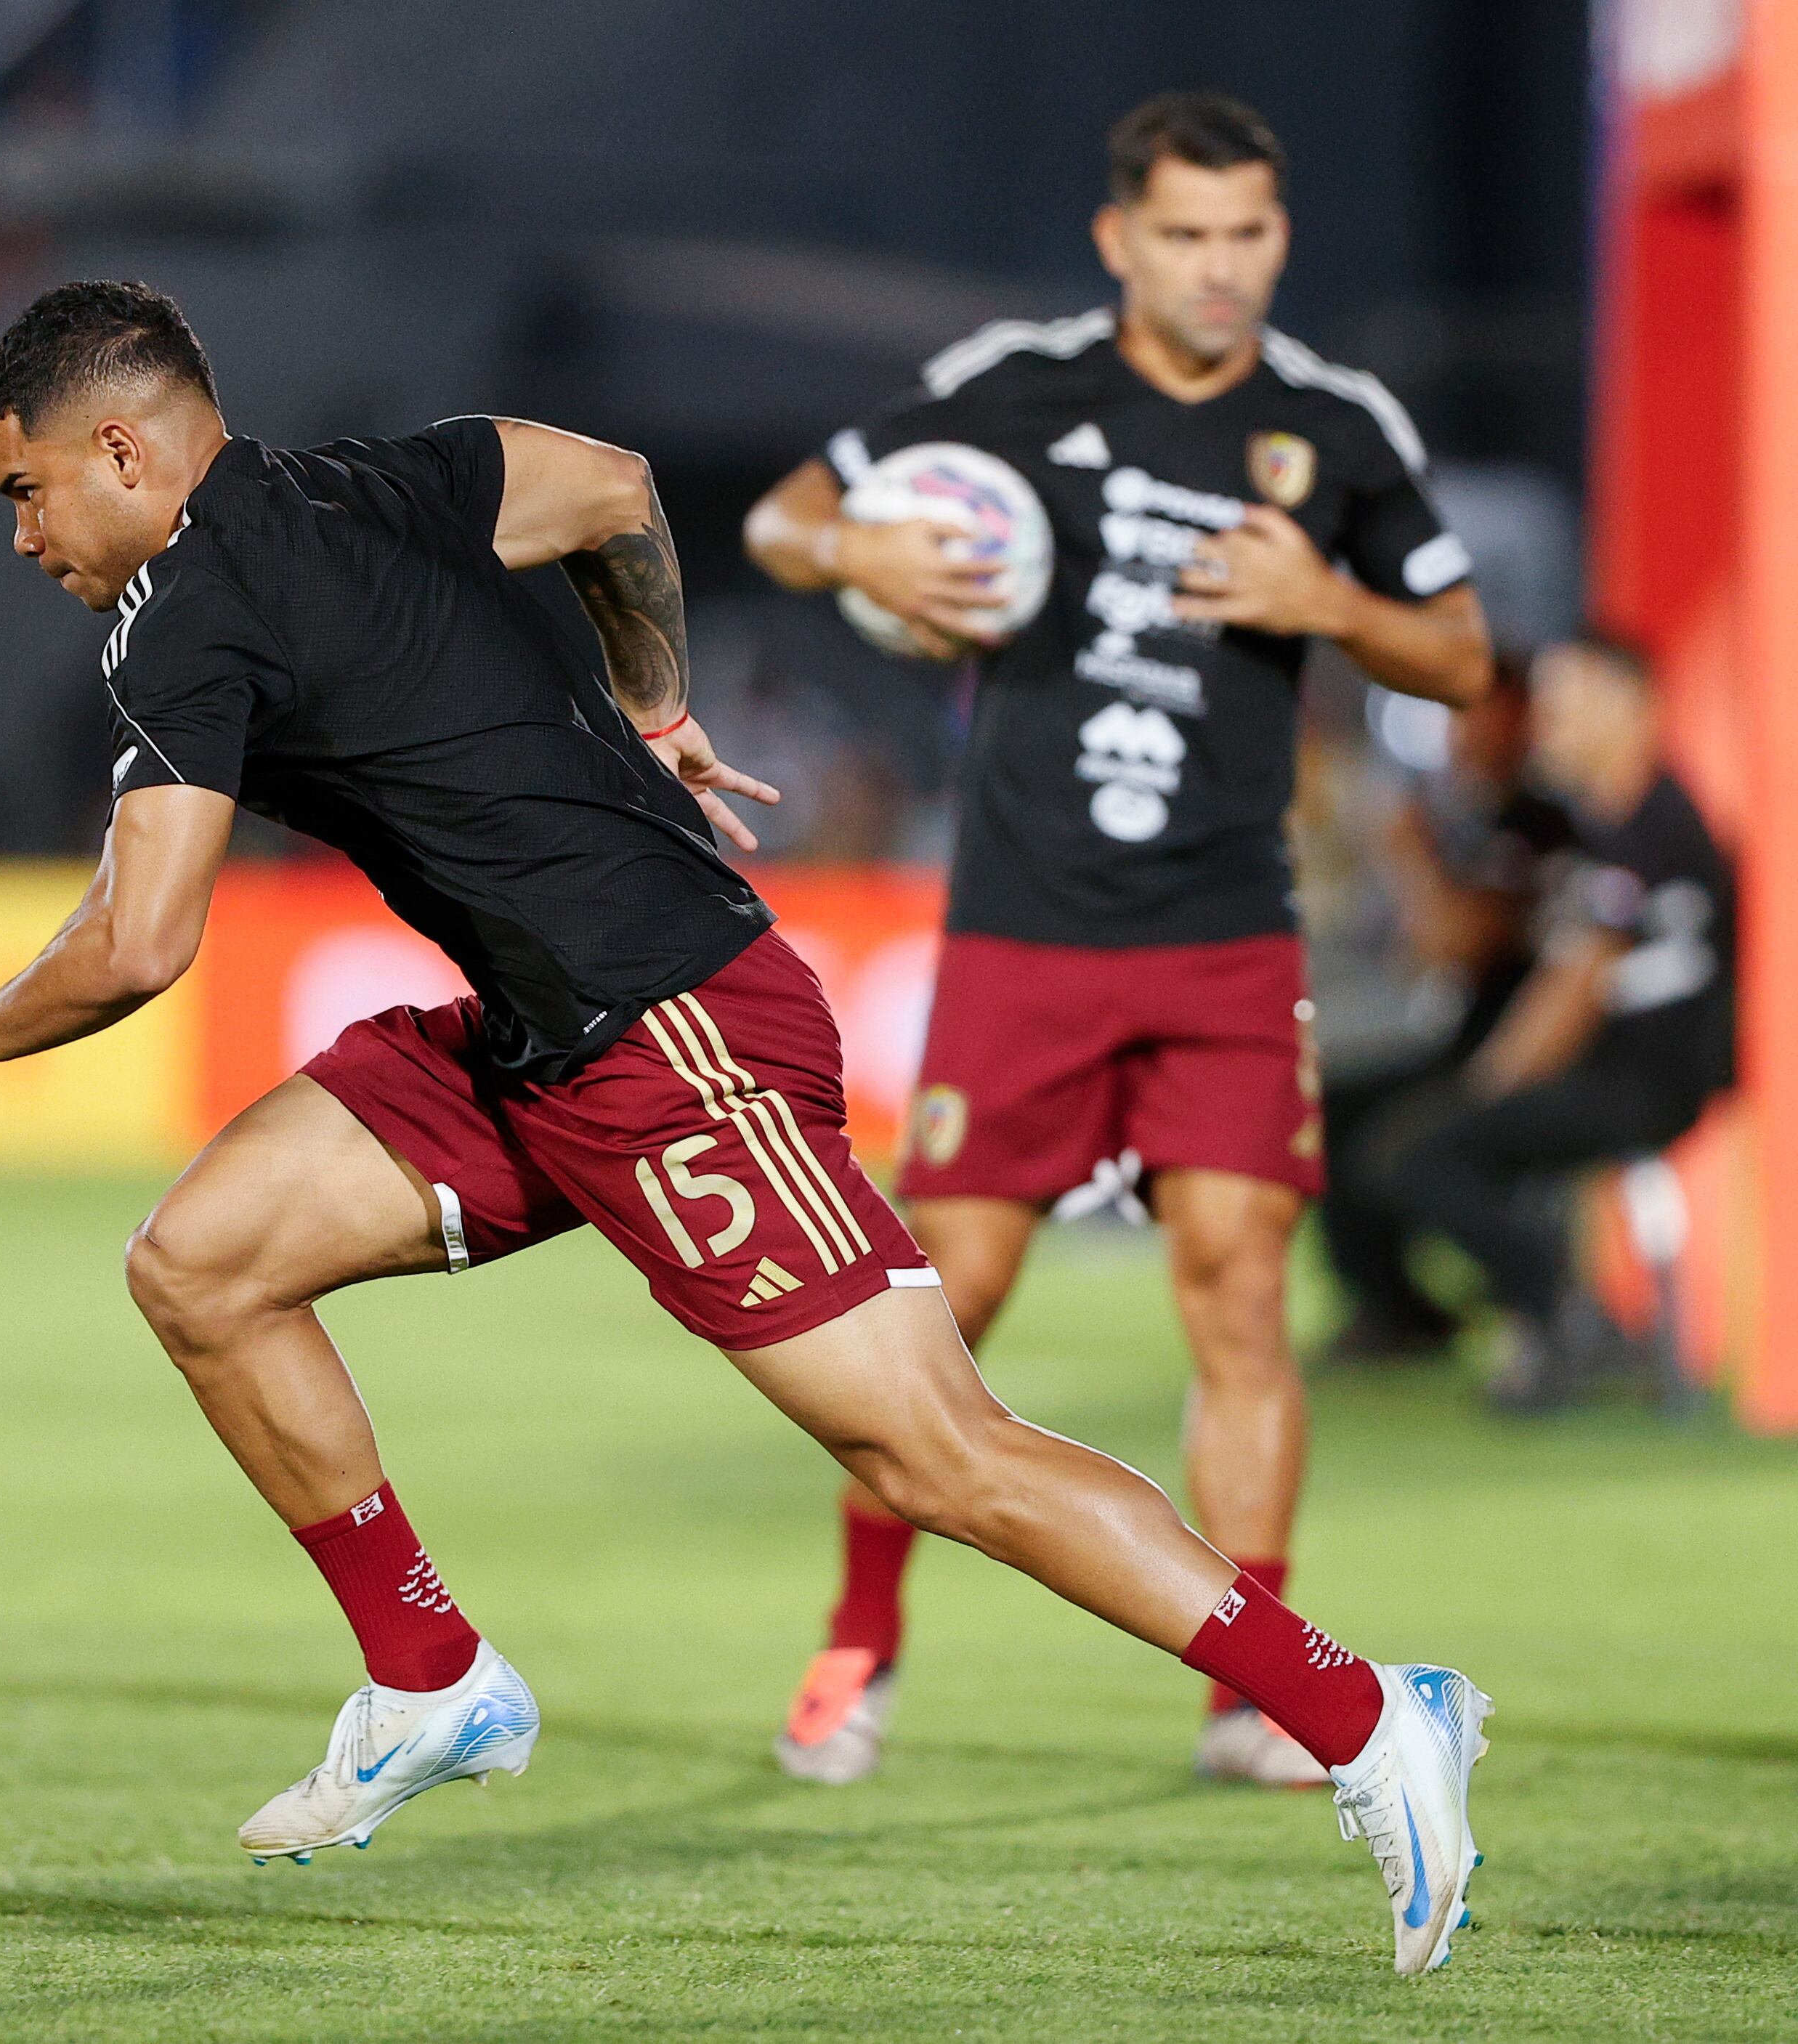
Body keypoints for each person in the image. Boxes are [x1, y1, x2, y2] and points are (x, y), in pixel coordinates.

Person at [0, 279, 1492, 1976]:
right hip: (541, 1037)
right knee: (199, 1264)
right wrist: (649, 693)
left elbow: (144, 937)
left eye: (24, 489)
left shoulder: (180, 616)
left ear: (119, 447)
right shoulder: (388, 477)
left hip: (671, 1037)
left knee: (936, 1454)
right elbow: (618, 488)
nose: (24, 534)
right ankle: (430, 1675)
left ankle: (1368, 1713)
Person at [739, 91, 1494, 1790]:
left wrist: (1334, 611)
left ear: (1277, 238)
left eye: (1247, 236)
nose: (1219, 270)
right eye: (1185, 235)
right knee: (947, 1312)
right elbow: (783, 520)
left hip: (1229, 944)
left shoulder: (1336, 426)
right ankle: (857, 1646)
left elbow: (1459, 658)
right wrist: (858, 545)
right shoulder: (1022, 382)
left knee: (1237, 1297)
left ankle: (1257, 1697)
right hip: (1025, 940)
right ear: (1120, 240)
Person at [1388, 636, 1736, 1411]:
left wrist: (1486, 1091)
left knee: (1424, 1153)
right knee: (1418, 1142)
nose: (1547, 726)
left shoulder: (1647, 831)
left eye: (1566, 707)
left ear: (1633, 707)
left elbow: (1574, 987)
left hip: (1643, 1083)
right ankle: (1558, 1318)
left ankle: (1574, 1320)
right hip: (1616, 1074)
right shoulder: (1605, 823)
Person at [1317, 659, 1576, 1364]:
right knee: (1333, 1108)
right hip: (1471, 1036)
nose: (1460, 733)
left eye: (1475, 712)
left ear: (1523, 714)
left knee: (1406, 1147)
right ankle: (1394, 1309)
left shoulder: (1539, 818)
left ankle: (1558, 1305)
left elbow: (1454, 941)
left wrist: (1407, 852)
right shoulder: (1485, 815)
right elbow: (1427, 954)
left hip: (1520, 1049)